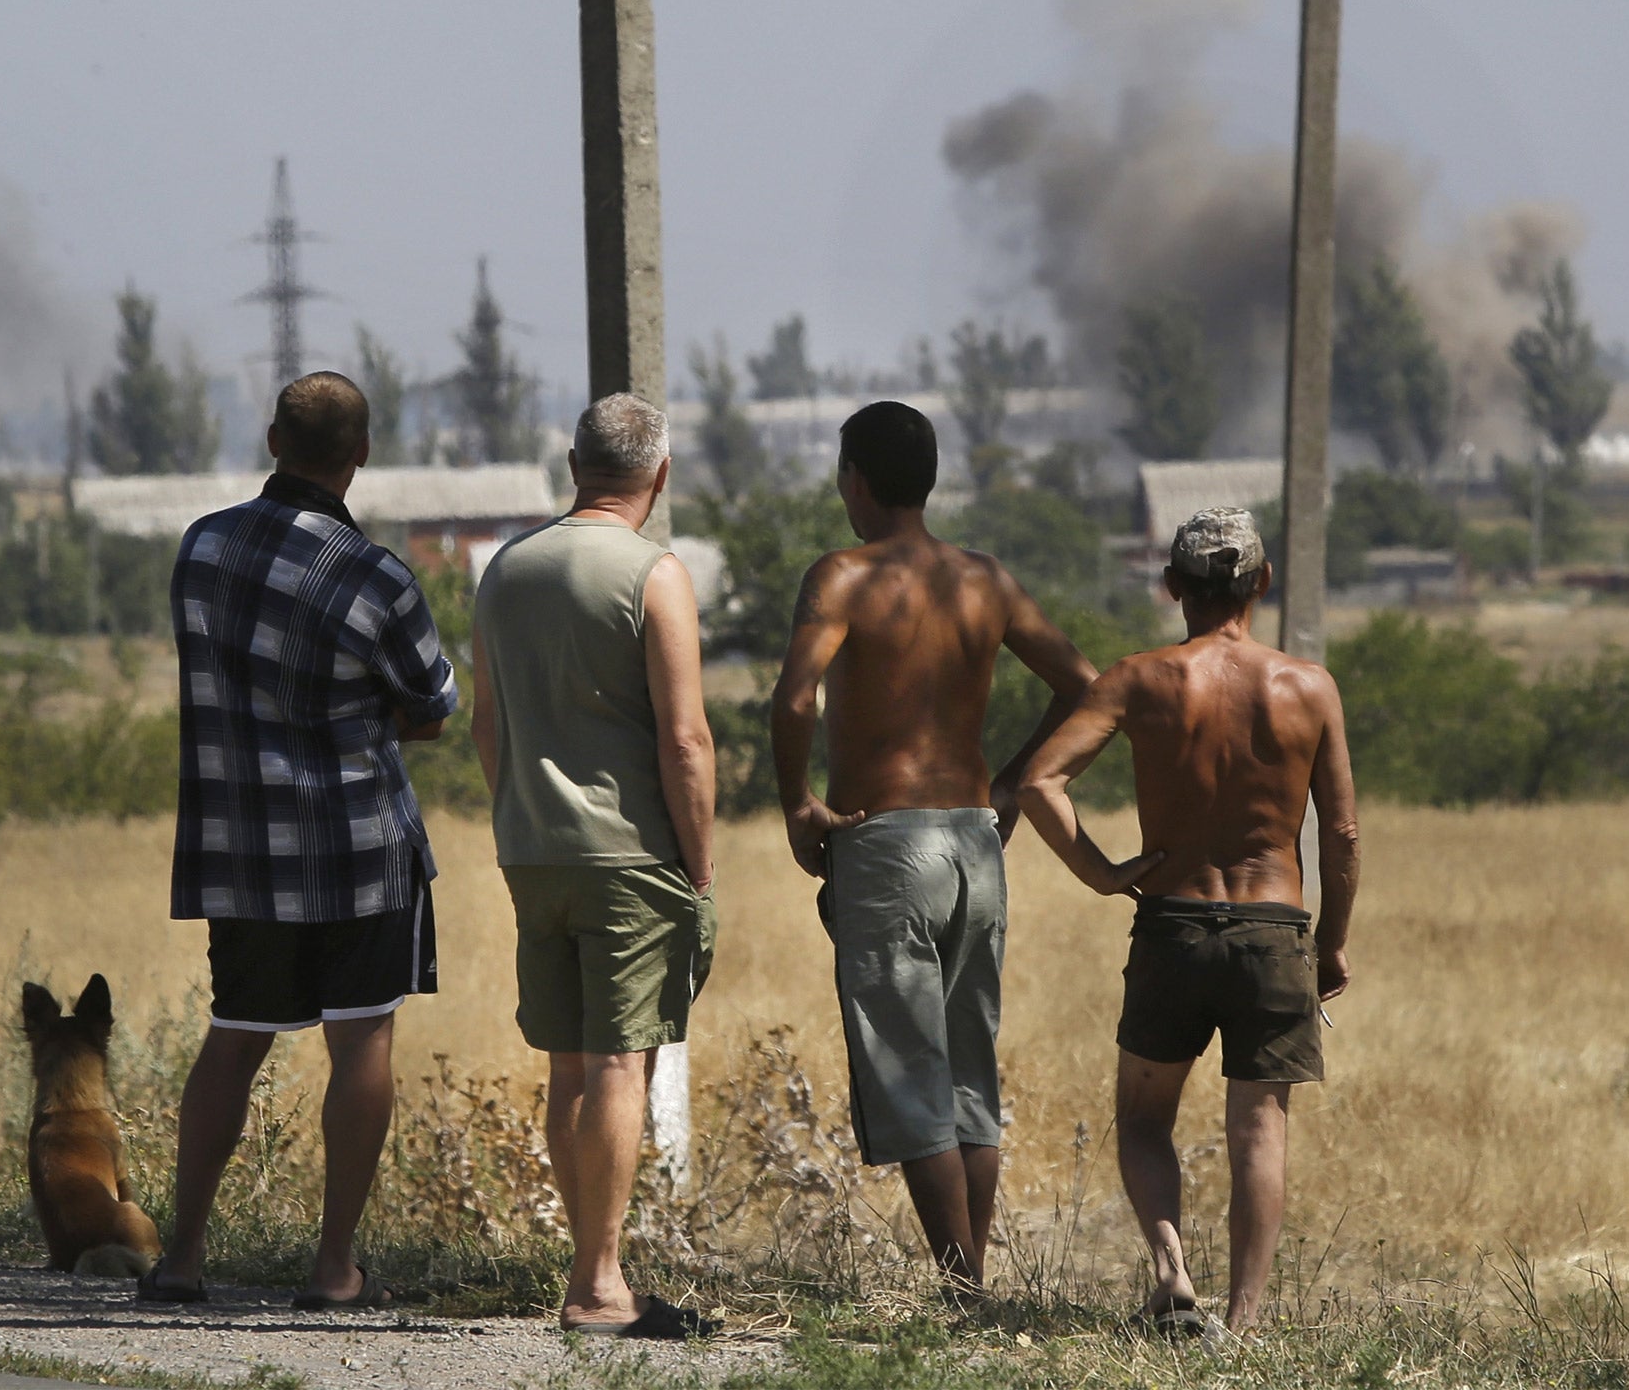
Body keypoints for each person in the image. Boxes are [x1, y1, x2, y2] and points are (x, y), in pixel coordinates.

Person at [140, 371, 458, 1310]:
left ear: (273, 440)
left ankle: (183, 1258)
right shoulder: (378, 576)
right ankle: (332, 1269)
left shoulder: (203, 548)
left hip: (239, 850)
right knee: (362, 1046)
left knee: (233, 1038)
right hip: (360, 849)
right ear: (361, 457)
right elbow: (433, 706)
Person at [771, 400, 1096, 1295]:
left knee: (910, 1069)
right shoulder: (985, 579)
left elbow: (796, 700)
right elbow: (1083, 686)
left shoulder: (841, 576)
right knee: (966, 1068)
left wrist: (798, 801)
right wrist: (1015, 787)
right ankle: (972, 1285)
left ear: (855, 481)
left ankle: (963, 1289)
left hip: (887, 844)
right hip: (973, 843)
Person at [1016, 507, 1358, 1338]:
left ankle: (1172, 1271)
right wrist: (1333, 944)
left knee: (1141, 1118)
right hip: (1276, 929)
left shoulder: (1140, 679)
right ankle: (1241, 1325)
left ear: (1173, 588)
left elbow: (1038, 784)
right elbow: (1342, 833)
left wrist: (1103, 875)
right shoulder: (1309, 687)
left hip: (1172, 922)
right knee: (1259, 1128)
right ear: (1262, 583)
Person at [470, 393, 718, 1341]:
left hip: (533, 849)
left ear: (573, 465)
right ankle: (598, 1283)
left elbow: (489, 725)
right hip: (630, 854)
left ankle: (586, 1265)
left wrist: (519, 815)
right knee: (622, 1061)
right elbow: (686, 741)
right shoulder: (655, 575)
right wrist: (697, 861)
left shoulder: (505, 570)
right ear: (658, 475)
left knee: (569, 1064)